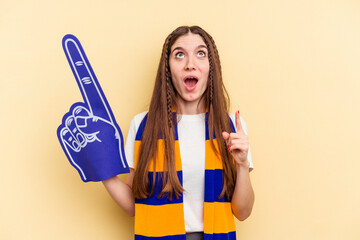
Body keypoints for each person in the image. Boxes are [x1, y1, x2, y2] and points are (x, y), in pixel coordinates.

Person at [102, 26, 254, 240]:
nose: (190, 64)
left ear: (211, 67)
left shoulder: (231, 128)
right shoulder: (143, 126)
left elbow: (243, 212)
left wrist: (242, 165)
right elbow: (132, 207)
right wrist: (101, 167)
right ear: (168, 68)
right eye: (179, 55)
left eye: (201, 54)